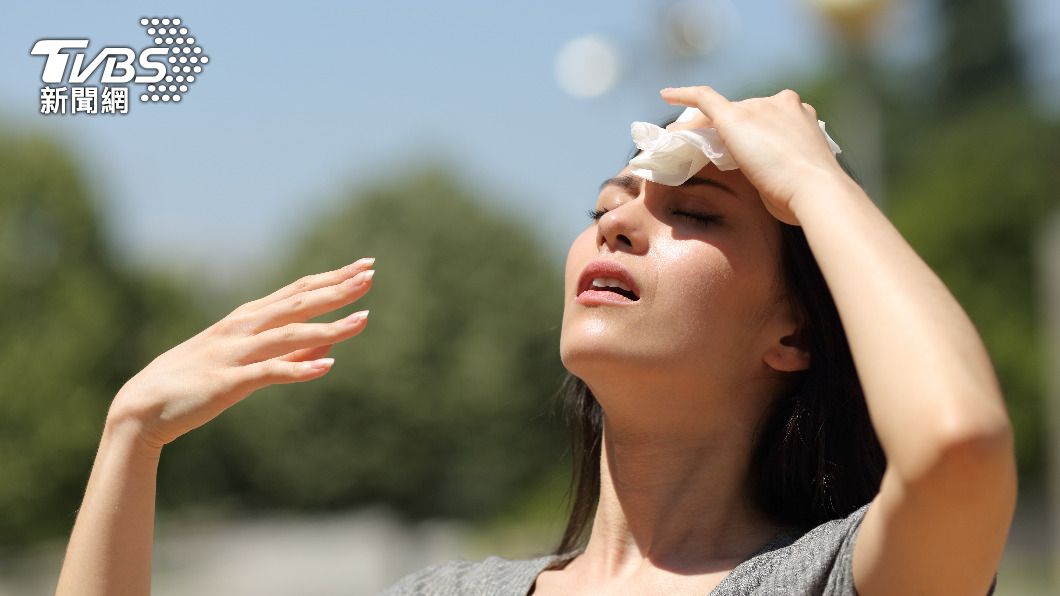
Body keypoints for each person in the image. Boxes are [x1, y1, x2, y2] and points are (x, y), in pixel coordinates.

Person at [54, 86, 1016, 596]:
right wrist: (131, 437)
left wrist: (812, 179)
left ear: (794, 331)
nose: (619, 225)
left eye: (698, 214)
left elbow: (956, 448)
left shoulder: (830, 579)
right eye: (605, 204)